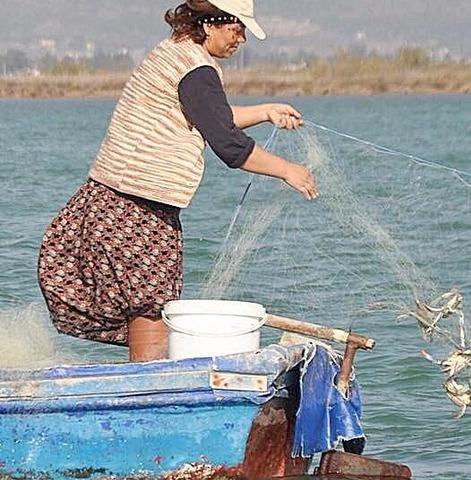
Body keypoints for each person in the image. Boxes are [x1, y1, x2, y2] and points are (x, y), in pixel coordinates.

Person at [37, 0, 317, 362]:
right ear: (210, 24)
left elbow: (208, 114)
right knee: (151, 305)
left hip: (110, 198)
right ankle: (148, 391)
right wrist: (288, 170)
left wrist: (265, 111)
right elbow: (229, 146)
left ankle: (144, 384)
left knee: (145, 304)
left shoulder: (175, 52)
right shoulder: (196, 70)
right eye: (237, 28)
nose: (242, 38)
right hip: (138, 208)